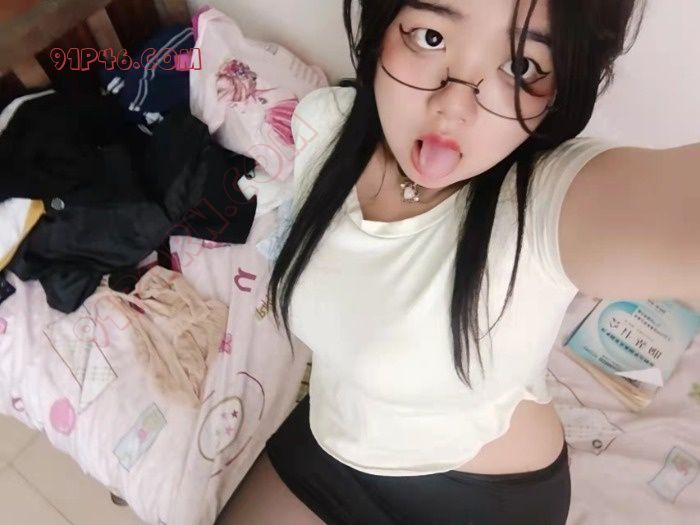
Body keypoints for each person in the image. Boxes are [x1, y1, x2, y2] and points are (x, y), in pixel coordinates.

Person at [217, 0, 699, 523]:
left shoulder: (540, 205)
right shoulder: (323, 125)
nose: (453, 107)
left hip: (483, 497)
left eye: (521, 66)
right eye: (430, 37)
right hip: (331, 444)